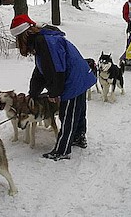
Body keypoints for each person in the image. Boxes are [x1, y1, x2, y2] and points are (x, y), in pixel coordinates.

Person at [10, 14, 97, 161]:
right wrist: (33, 93)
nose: (17, 44)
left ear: (23, 35)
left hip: (73, 79)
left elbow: (55, 70)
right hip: (78, 75)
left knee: (68, 115)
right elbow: (41, 71)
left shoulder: (44, 42)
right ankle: (78, 137)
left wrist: (54, 92)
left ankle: (62, 150)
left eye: (17, 39)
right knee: (78, 111)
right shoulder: (42, 40)